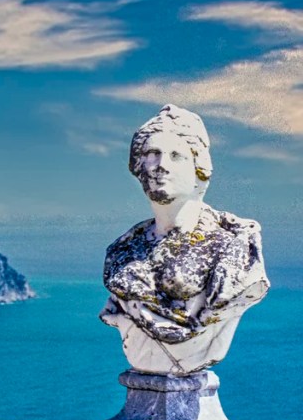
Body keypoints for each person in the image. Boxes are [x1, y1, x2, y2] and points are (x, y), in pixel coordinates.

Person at [100, 104, 269, 375]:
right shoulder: (121, 253)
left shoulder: (232, 246)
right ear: (138, 166)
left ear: (198, 168)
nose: (161, 165)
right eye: (152, 154)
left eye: (176, 155)